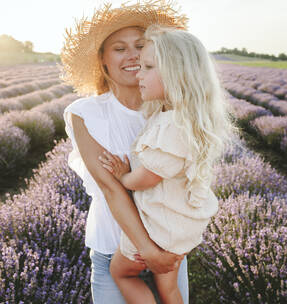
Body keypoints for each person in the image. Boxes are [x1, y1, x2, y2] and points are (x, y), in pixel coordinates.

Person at [61, 0, 189, 303]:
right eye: (120, 48)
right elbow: (111, 188)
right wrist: (148, 251)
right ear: (102, 60)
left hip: (170, 250)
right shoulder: (85, 113)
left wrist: (162, 252)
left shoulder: (172, 111)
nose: (132, 56)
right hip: (112, 250)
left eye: (140, 46)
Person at [98, 25, 230, 303]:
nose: (138, 74)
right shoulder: (182, 117)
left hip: (159, 227)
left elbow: (147, 178)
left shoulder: (171, 125)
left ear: (175, 75)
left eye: (147, 67)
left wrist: (124, 177)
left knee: (122, 273)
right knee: (169, 289)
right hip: (179, 229)